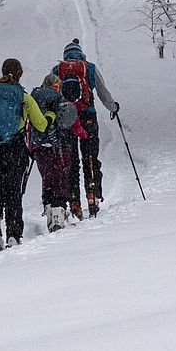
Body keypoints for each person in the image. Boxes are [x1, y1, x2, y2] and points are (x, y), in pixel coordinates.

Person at [0, 58, 48, 251]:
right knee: (13, 193)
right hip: (14, 150)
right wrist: (50, 117)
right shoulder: (23, 97)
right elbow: (40, 124)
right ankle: (13, 235)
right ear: (20, 74)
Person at [53, 38, 119, 218]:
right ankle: (93, 194)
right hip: (88, 116)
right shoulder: (89, 68)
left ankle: (73, 199)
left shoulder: (57, 70)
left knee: (71, 161)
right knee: (90, 156)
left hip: (66, 119)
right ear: (81, 53)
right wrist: (113, 107)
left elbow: (52, 96)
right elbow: (103, 92)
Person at [29, 74, 88, 232]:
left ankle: (50, 213)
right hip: (60, 146)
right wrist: (84, 134)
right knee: (61, 180)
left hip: (40, 147)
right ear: (57, 86)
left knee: (47, 179)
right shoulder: (61, 101)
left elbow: (30, 126)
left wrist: (32, 147)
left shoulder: (34, 101)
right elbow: (74, 123)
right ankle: (58, 214)